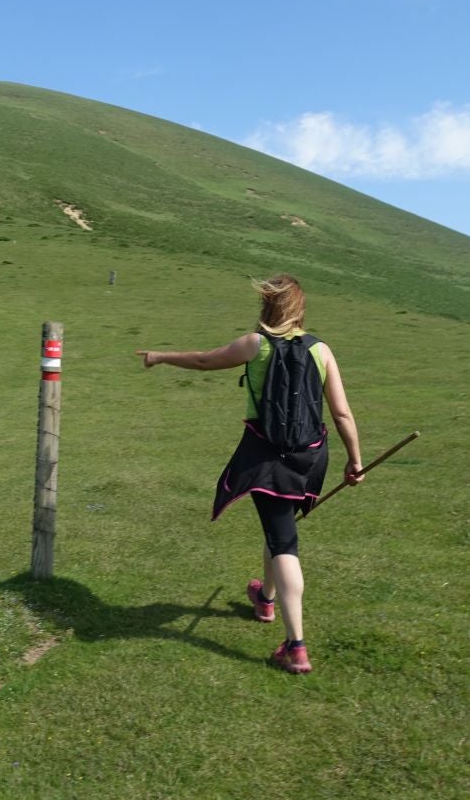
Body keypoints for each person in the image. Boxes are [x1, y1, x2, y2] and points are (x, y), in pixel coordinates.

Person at [135, 274, 363, 674]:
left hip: (266, 457)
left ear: (267, 307)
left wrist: (159, 355)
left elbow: (205, 361)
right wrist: (354, 460)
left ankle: (297, 647)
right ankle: (266, 600)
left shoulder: (255, 344)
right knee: (278, 528)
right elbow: (342, 412)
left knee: (284, 541)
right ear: (299, 309)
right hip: (310, 458)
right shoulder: (321, 350)